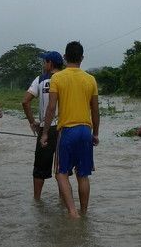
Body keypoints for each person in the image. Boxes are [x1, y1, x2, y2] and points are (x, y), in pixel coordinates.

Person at [41, 41, 99, 219]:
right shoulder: (91, 79)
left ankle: (73, 213)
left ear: (65, 57)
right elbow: (95, 110)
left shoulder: (57, 78)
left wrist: (44, 133)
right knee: (83, 174)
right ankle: (84, 212)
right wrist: (95, 134)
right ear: (82, 58)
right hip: (85, 130)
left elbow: (51, 108)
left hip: (67, 131)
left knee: (60, 173)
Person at [22, 50, 64, 199]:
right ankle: (63, 202)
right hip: (64, 128)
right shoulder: (66, 78)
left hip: (46, 129)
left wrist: (32, 122)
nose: (43, 64)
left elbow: (25, 101)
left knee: (40, 168)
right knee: (62, 169)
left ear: (50, 63)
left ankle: (37, 201)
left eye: (44, 61)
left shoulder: (40, 79)